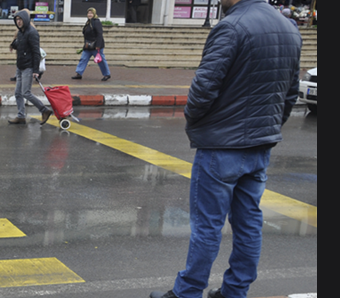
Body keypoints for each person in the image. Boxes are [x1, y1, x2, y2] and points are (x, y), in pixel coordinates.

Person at [148, 0, 302, 297]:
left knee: (207, 225)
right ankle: (235, 290)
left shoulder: (231, 27)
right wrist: (269, 127)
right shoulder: (289, 28)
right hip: (261, 144)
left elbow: (204, 87)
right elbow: (290, 93)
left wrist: (195, 120)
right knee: (249, 223)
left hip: (221, 145)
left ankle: (187, 292)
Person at [6, 9, 53, 125]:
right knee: (18, 93)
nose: (18, 21)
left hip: (28, 67)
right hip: (20, 66)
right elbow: (21, 45)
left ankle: (44, 110)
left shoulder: (32, 32)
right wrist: (13, 45)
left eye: (20, 19)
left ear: (25, 20)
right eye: (17, 19)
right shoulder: (21, 32)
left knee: (26, 93)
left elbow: (36, 52)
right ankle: (21, 116)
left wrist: (36, 70)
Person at [74, 7, 111, 81]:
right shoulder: (88, 22)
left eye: (91, 13)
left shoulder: (96, 22)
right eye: (88, 13)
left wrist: (98, 45)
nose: (89, 15)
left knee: (101, 60)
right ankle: (79, 73)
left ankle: (106, 74)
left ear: (94, 14)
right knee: (83, 59)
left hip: (96, 45)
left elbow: (99, 34)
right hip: (88, 45)